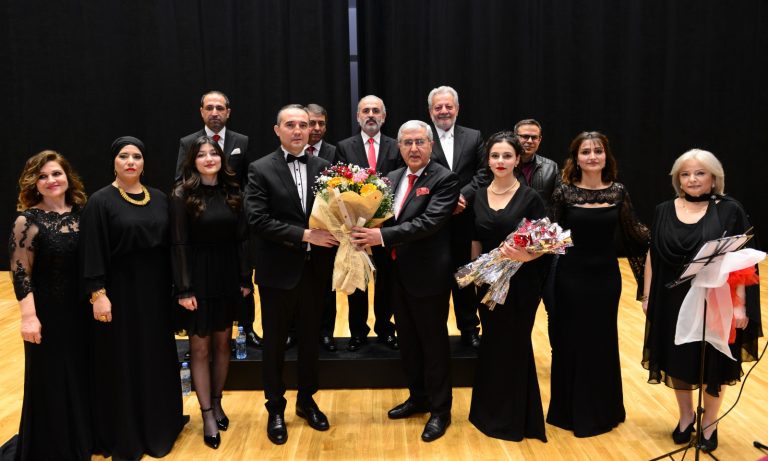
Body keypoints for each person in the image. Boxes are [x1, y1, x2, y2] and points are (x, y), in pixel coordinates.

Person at [642, 149, 761, 452]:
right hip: (671, 297)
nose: (692, 179)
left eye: (699, 173)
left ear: (713, 178)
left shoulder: (730, 209)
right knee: (677, 359)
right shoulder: (663, 209)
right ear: (677, 179)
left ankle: (710, 422)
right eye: (685, 174)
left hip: (716, 299)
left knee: (714, 364)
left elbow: (742, 262)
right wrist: (647, 294)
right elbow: (652, 255)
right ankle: (685, 418)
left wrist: (739, 304)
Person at [351, 120, 459, 442]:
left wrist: (379, 236)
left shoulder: (445, 179)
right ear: (398, 147)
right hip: (396, 275)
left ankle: (441, 410)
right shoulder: (392, 178)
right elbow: (378, 215)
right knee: (408, 342)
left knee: (433, 343)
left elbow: (428, 223)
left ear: (430, 146)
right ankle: (418, 397)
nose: (413, 148)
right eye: (407, 143)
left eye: (419, 142)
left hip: (428, 276)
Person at [80, 136, 185, 459]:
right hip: (119, 295)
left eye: (136, 157)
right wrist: (98, 293)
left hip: (155, 294)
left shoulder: (158, 198)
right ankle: (125, 429)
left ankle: (159, 425)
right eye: (124, 156)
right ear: (114, 161)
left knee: (154, 356)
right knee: (123, 360)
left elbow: (172, 247)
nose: (130, 162)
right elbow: (92, 249)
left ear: (144, 162)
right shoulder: (100, 201)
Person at [244, 104, 338, 445]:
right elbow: (257, 219)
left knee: (312, 341)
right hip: (277, 274)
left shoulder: (325, 168)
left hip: (315, 272)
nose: (299, 130)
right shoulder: (260, 169)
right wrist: (304, 235)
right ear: (277, 129)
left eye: (303, 125)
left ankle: (306, 401)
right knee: (275, 345)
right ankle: (275, 407)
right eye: (291, 125)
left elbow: (336, 213)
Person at [547, 131, 649, 437]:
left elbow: (635, 234)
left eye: (598, 151)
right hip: (570, 277)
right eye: (586, 151)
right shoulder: (563, 193)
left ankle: (604, 410)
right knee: (570, 341)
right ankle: (567, 411)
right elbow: (549, 237)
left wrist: (672, 238)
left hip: (605, 280)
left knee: (601, 342)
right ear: (576, 158)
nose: (592, 156)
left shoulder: (618, 192)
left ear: (607, 156)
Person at [170, 136, 252, 449]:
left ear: (221, 159)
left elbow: (243, 238)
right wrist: (184, 288)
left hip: (229, 275)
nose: (208, 158)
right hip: (197, 278)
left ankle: (217, 401)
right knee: (200, 349)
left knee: (223, 345)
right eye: (201, 154)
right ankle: (206, 413)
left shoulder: (234, 191)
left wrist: (246, 277)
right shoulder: (182, 194)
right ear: (192, 161)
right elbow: (178, 243)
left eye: (213, 154)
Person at [9, 151, 91, 460]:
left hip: (82, 311)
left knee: (82, 373)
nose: (51, 180)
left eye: (56, 173)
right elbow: (20, 272)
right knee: (52, 378)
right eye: (42, 176)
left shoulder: (83, 213)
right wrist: (28, 317)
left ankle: (82, 437)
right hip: (48, 314)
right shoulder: (27, 221)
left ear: (68, 177)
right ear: (34, 183)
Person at [467, 132, 549, 442]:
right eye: (495, 156)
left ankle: (516, 419)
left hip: (522, 284)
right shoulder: (477, 195)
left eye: (507, 156)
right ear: (488, 160)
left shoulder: (531, 197)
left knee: (515, 345)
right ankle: (487, 413)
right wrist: (476, 276)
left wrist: (526, 255)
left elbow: (548, 241)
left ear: (517, 159)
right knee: (492, 344)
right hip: (488, 284)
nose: (500, 161)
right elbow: (475, 240)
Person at [175, 91, 261, 348]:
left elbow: (248, 180)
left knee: (242, 282)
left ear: (228, 112)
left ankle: (248, 328)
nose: (215, 112)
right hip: (203, 220)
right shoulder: (188, 141)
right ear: (201, 111)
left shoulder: (240, 141)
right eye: (209, 108)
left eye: (220, 108)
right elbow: (180, 178)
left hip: (232, 214)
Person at [336, 95, 403, 351]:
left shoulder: (396, 145)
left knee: (387, 282)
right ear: (358, 116)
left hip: (387, 227)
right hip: (357, 227)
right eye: (366, 110)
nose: (371, 114)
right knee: (358, 282)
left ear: (384, 117)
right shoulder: (344, 146)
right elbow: (340, 184)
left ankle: (386, 329)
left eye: (376, 110)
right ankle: (358, 332)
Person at [427, 85, 487, 348]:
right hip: (432, 221)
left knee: (465, 277)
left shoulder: (474, 137)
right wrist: (446, 201)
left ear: (457, 109)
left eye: (448, 106)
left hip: (465, 220)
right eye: (438, 107)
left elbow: (483, 174)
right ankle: (434, 332)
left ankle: (469, 329)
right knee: (434, 280)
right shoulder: (421, 137)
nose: (443, 111)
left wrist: (460, 197)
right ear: (430, 111)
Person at [307, 103, 339, 352]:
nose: (316, 128)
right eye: (311, 123)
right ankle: (296, 332)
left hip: (328, 230)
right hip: (298, 231)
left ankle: (326, 332)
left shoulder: (335, 151)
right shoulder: (289, 153)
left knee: (327, 284)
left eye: (321, 123)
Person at [514, 119, 560, 208]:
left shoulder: (551, 167)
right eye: (525, 136)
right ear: (515, 137)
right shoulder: (504, 165)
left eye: (534, 137)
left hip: (541, 220)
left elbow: (557, 203)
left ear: (540, 139)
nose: (530, 141)